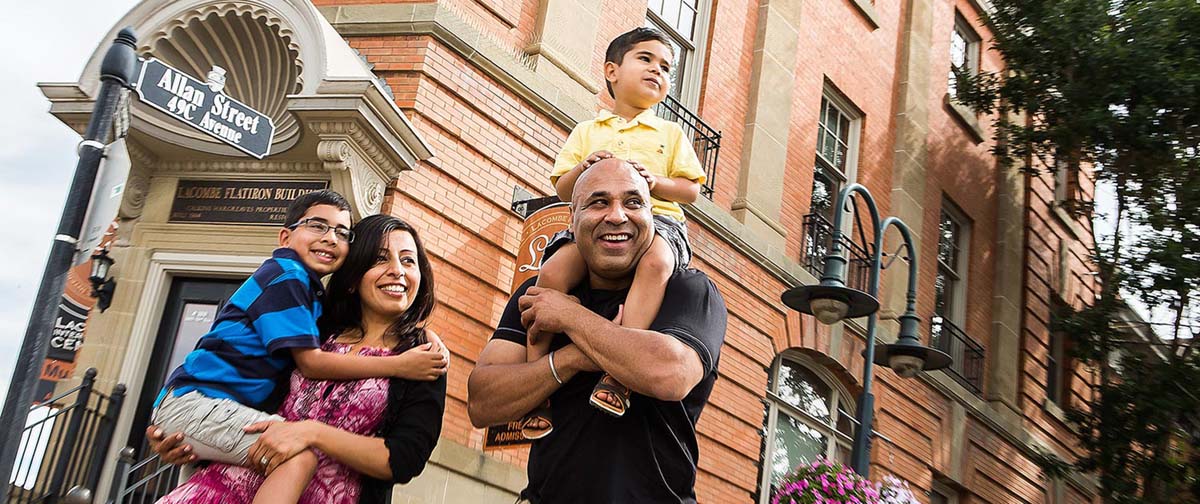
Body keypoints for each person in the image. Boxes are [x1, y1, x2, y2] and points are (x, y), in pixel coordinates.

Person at [149, 192, 446, 504]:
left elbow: (403, 459)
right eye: (380, 259)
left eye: (409, 260)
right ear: (352, 276)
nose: (397, 270)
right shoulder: (316, 332)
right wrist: (186, 443)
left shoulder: (421, 360)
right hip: (216, 491)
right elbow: (246, 408)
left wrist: (312, 432)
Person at [468, 159, 727, 503]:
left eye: (633, 202)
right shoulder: (541, 295)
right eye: (599, 202)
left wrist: (571, 319)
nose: (617, 216)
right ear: (572, 221)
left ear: (653, 217)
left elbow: (671, 373)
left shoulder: (688, 290)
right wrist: (570, 360)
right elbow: (482, 401)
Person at [523, 26, 708, 438]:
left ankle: (620, 369)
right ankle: (536, 383)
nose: (657, 71)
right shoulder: (588, 130)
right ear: (612, 70)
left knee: (658, 262)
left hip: (658, 222)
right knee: (552, 273)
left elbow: (691, 189)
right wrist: (586, 166)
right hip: (593, 226)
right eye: (646, 60)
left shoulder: (670, 134)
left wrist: (655, 183)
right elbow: (563, 187)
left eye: (666, 67)